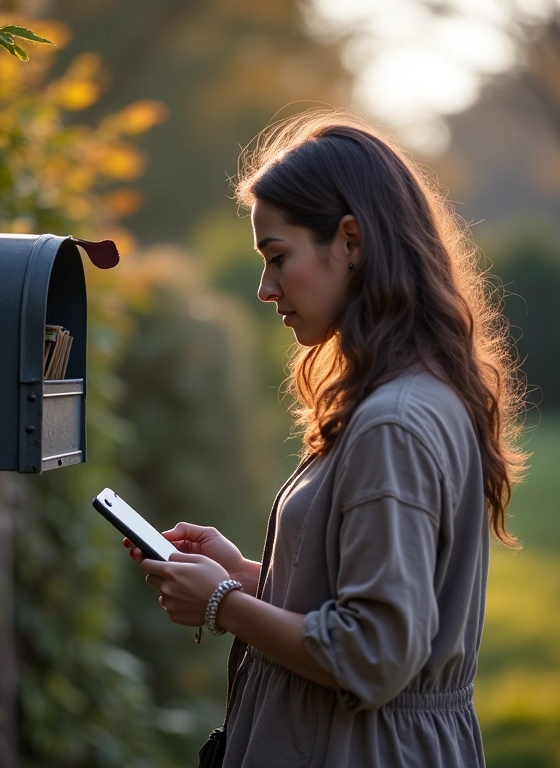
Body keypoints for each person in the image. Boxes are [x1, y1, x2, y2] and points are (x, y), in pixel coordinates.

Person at [131, 110, 527, 768]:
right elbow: (367, 605)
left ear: (350, 241)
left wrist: (222, 604)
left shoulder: (393, 422)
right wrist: (246, 576)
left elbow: (373, 653)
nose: (265, 287)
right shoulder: (408, 395)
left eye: (278, 257)